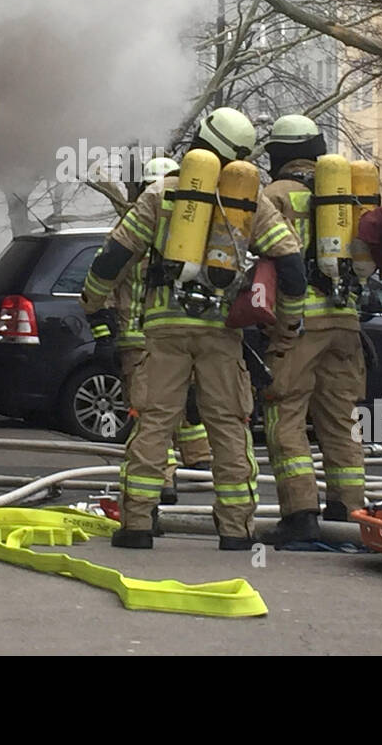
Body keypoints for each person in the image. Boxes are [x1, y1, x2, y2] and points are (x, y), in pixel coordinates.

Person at [81, 107, 306, 549]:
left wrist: (92, 303)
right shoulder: (250, 202)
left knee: (154, 422)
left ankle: (137, 526)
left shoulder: (162, 193)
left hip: (164, 330)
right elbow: (291, 264)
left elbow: (113, 257)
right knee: (229, 426)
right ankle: (236, 531)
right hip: (221, 332)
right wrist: (288, 325)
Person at [257, 115, 370, 548]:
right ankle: (349, 519)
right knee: (342, 421)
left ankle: (300, 516)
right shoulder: (345, 196)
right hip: (346, 322)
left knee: (285, 413)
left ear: (279, 155)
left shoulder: (275, 195)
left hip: (300, 324)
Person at [107, 156, 212, 509]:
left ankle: (163, 478)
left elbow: (107, 273)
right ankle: (199, 457)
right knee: (181, 400)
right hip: (180, 332)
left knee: (150, 411)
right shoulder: (189, 233)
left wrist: (101, 323)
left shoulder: (134, 227)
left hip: (137, 336)